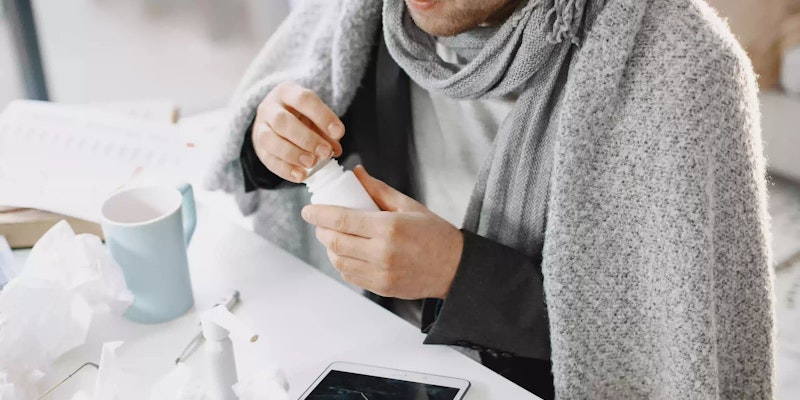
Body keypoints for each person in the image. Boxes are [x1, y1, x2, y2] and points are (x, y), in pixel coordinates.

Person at [210, 0, 774, 398]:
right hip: (376, 349)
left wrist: (460, 274)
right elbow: (277, 139)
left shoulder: (685, 71)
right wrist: (272, 140)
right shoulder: (370, 13)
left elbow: (672, 347)